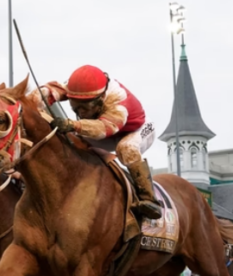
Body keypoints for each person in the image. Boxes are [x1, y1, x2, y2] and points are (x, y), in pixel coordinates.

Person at [32, 65, 161, 219]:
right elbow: (53, 90)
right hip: (105, 128)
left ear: (100, 99)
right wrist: (35, 99)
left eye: (84, 108)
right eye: (76, 108)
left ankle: (149, 199)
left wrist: (73, 124)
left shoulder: (118, 100)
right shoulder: (79, 88)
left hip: (135, 129)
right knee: (73, 139)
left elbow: (104, 128)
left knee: (126, 148)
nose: (81, 113)